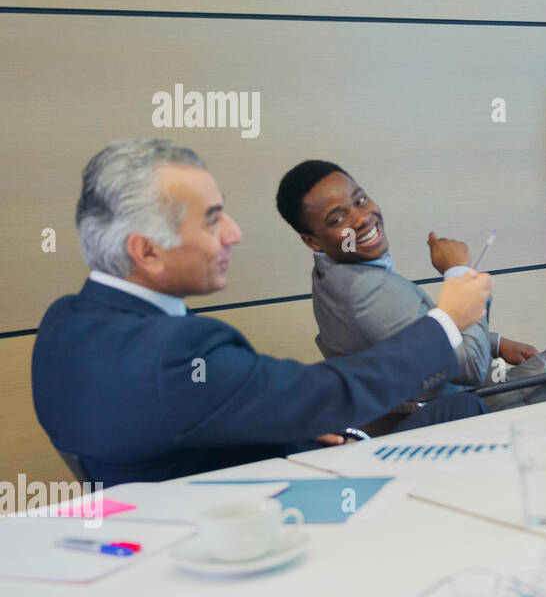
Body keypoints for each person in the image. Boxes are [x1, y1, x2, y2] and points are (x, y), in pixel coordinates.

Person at [31, 139, 493, 485]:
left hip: (204, 504)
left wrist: (286, 428)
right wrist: (447, 319)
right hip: (267, 519)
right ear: (147, 251)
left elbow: (179, 426)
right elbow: (331, 393)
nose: (234, 234)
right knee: (465, 409)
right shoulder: (175, 353)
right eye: (213, 219)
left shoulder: (62, 325)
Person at [274, 160, 546, 412]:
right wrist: (460, 274)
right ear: (313, 241)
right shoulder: (364, 291)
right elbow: (470, 367)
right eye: (338, 218)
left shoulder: (332, 274)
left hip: (450, 393)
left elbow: (416, 337)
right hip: (465, 410)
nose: (362, 218)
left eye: (360, 199)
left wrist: (497, 343)